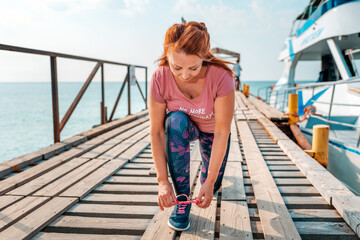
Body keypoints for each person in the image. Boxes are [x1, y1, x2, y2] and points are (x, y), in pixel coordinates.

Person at [149, 21, 235, 231]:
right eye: (177, 67)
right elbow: (158, 132)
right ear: (166, 55)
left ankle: (210, 178)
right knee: (175, 120)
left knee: (210, 185)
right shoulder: (160, 77)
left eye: (193, 68)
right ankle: (182, 202)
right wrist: (162, 181)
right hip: (183, 127)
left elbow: (223, 131)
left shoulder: (222, 77)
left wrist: (209, 181)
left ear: (204, 57)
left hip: (213, 132)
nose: (185, 75)